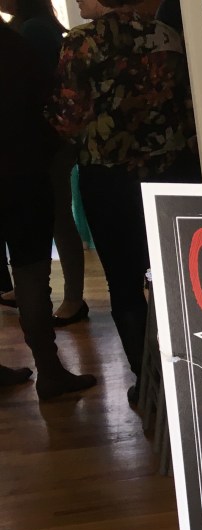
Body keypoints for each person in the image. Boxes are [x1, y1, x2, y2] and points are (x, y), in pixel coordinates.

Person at [49, 0, 200, 405]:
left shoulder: (81, 43)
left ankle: (149, 385)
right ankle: (189, 378)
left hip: (109, 180)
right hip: (171, 174)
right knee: (174, 279)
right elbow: (189, 108)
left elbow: (68, 119)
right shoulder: (166, 36)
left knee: (123, 282)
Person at [0, 22, 97, 399]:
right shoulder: (15, 48)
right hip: (22, 175)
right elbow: (49, 108)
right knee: (31, 277)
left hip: (21, 171)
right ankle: (50, 370)